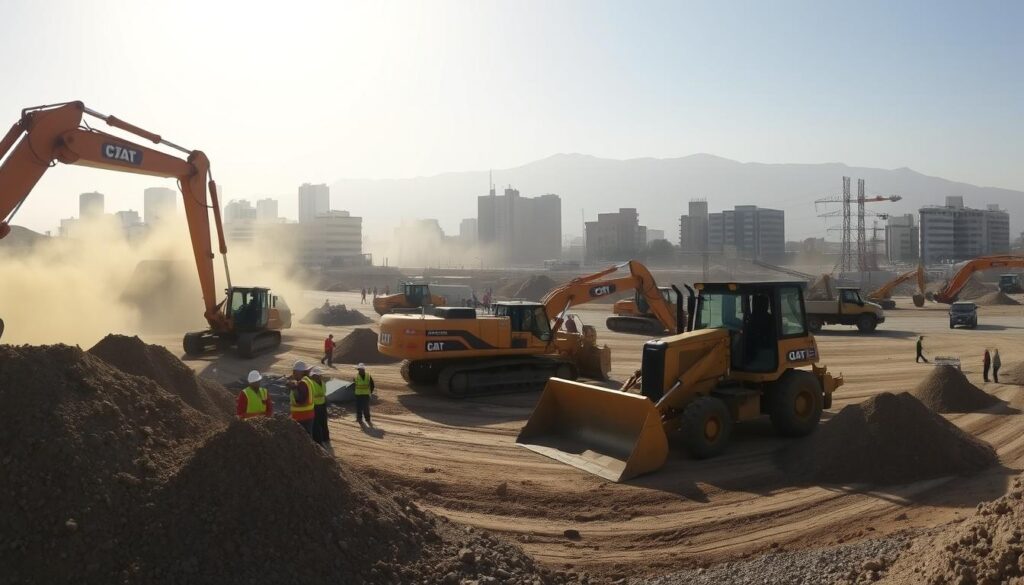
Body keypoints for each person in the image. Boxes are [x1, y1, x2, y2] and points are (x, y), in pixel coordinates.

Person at [288, 361, 316, 436]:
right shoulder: (307, 381)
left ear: (301, 372)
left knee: (303, 440)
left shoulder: (303, 383)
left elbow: (300, 400)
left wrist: (293, 388)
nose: (293, 373)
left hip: (302, 417)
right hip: (307, 416)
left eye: (294, 371)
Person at [310, 367, 330, 444]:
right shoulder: (323, 383)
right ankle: (326, 438)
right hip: (322, 405)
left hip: (316, 406)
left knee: (318, 423)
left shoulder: (312, 384)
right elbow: (323, 393)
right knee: (323, 422)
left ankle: (320, 439)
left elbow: (312, 394)